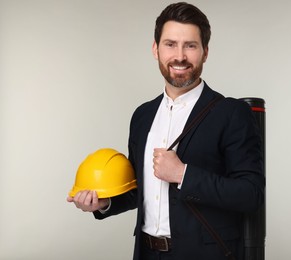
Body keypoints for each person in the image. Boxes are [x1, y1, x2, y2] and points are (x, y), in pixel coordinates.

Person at [67, 2, 264, 260]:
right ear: (155, 49)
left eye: (190, 45)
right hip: (146, 253)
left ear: (205, 52)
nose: (179, 56)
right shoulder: (142, 116)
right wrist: (105, 203)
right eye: (170, 44)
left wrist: (183, 174)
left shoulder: (231, 113)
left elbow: (250, 194)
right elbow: (141, 190)